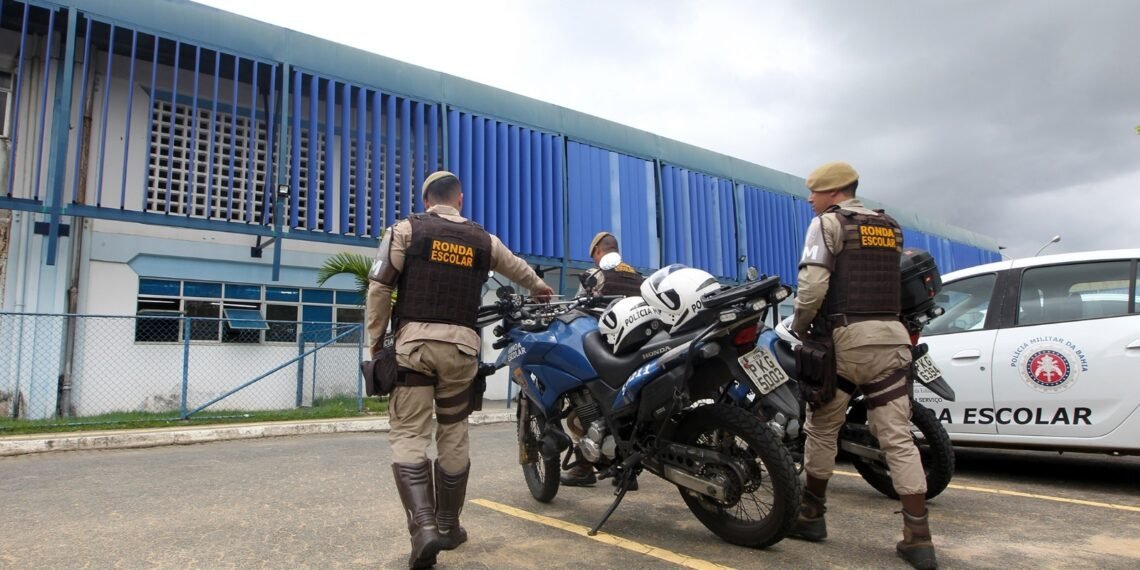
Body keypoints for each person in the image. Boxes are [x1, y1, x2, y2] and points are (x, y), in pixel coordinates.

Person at [366, 170, 554, 569]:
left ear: (425, 200)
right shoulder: (483, 239)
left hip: (413, 348)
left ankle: (423, 529)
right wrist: (540, 288)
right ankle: (449, 525)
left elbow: (380, 287)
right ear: (460, 200)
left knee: (409, 433)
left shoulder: (405, 230)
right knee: (453, 431)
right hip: (462, 350)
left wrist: (373, 344)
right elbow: (518, 269)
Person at [788, 161, 937, 570]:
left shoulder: (827, 225)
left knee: (821, 430)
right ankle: (918, 538)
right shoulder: (891, 227)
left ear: (834, 192)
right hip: (892, 339)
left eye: (814, 193)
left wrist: (801, 324)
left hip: (845, 341)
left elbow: (814, 285)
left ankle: (811, 515)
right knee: (898, 438)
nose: (810, 200)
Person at [561, 231, 645, 488]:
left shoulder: (596, 276)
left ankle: (585, 467)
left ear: (598, 251)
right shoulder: (638, 276)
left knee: (583, 414)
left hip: (603, 354)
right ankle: (627, 471)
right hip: (636, 356)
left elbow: (574, 311)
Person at [575, 231, 645, 297]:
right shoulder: (639, 277)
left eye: (593, 257)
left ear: (597, 250)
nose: (594, 262)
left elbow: (577, 303)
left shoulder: (594, 275)